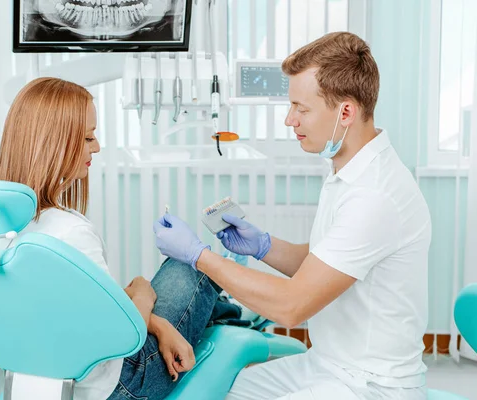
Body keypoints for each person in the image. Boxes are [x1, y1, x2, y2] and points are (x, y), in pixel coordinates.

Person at [153, 31, 432, 399]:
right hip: (325, 365)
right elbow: (323, 262)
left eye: (301, 108)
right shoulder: (350, 171)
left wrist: (197, 256)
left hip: (371, 385)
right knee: (221, 391)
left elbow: (291, 306)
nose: (290, 120)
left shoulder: (374, 195)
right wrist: (262, 245)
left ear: (345, 112)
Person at [0, 77, 227, 400]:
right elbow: (121, 337)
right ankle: (226, 311)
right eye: (88, 137)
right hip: (124, 383)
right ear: (53, 143)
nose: (97, 147)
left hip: (48, 377)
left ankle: (219, 311)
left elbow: (74, 318)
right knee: (189, 266)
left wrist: (157, 324)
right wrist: (142, 293)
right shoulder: (72, 233)